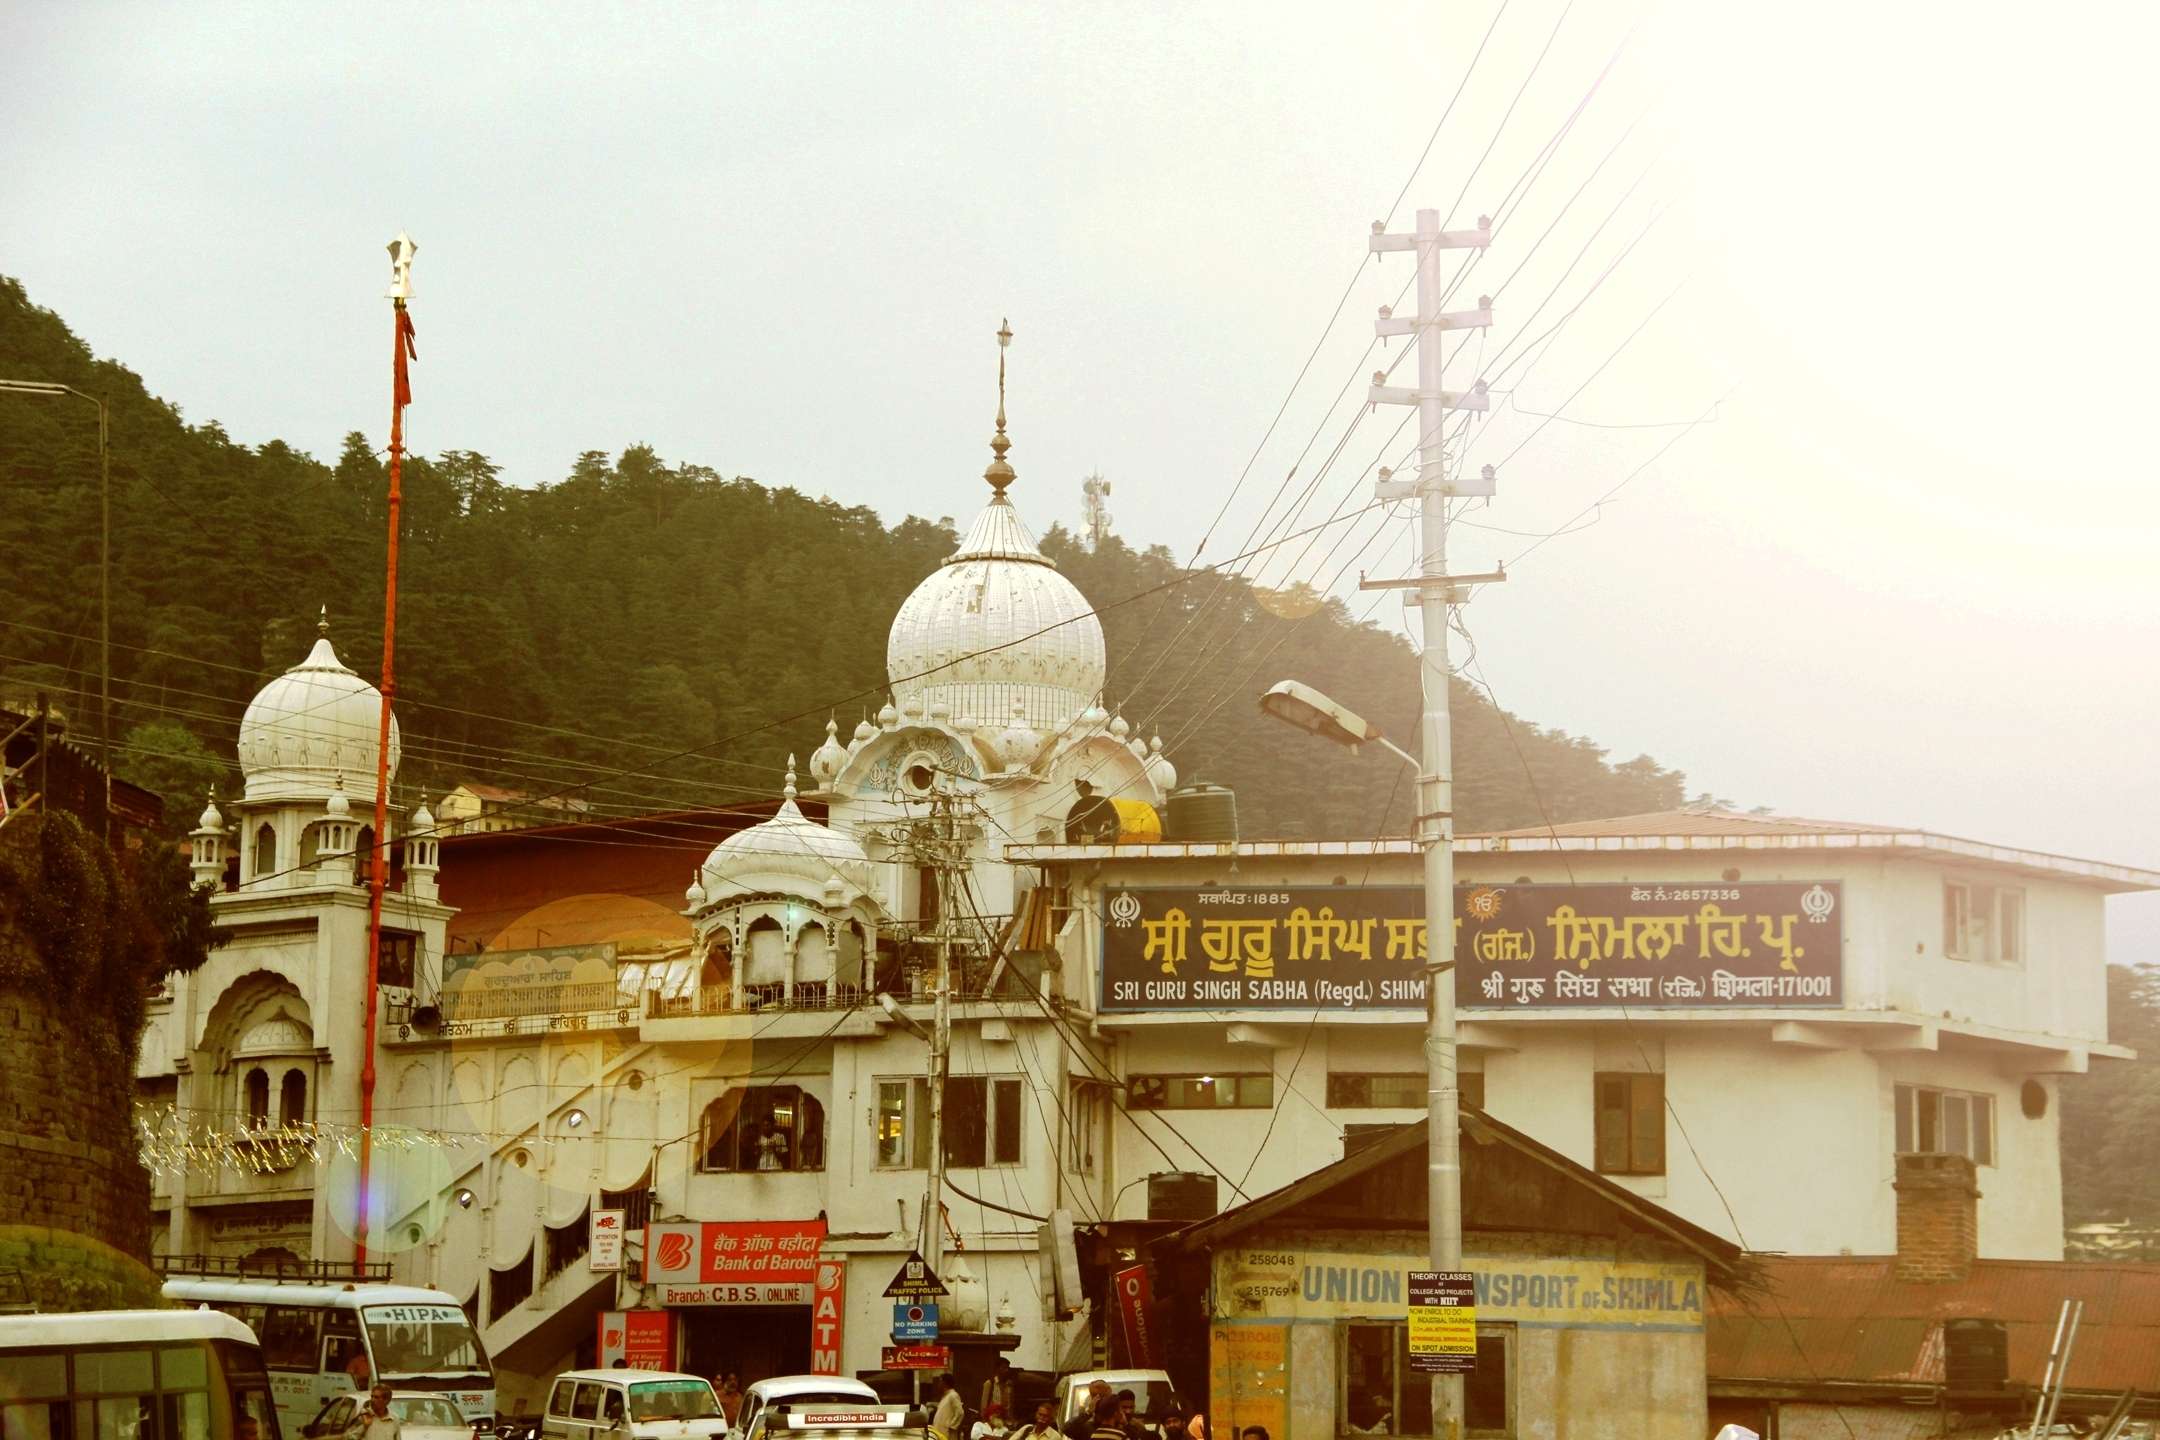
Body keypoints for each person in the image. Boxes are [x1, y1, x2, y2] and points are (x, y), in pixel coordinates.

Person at [931, 1373, 966, 1440]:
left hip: (947, 1433)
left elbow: (960, 1413)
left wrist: (952, 1426)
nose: (938, 1384)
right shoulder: (945, 1396)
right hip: (940, 1432)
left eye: (940, 1382)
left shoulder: (953, 1395)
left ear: (944, 1383)